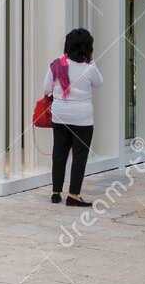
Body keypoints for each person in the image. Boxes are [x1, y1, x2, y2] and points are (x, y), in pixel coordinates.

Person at [44, 27, 103, 208]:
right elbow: (100, 83)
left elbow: (46, 89)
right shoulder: (89, 68)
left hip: (60, 114)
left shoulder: (56, 65)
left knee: (59, 154)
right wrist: (91, 62)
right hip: (82, 119)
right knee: (79, 156)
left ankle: (55, 192)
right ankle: (74, 195)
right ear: (88, 48)